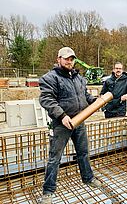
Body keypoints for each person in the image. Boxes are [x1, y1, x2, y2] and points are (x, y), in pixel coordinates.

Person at [39, 47, 102, 204]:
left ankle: (88, 178)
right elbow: (46, 99)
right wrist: (62, 116)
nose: (69, 61)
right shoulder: (50, 78)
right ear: (58, 59)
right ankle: (48, 192)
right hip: (61, 124)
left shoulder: (78, 78)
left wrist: (96, 101)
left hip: (79, 121)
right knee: (55, 157)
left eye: (72, 58)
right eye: (66, 58)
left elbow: (85, 96)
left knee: (83, 152)